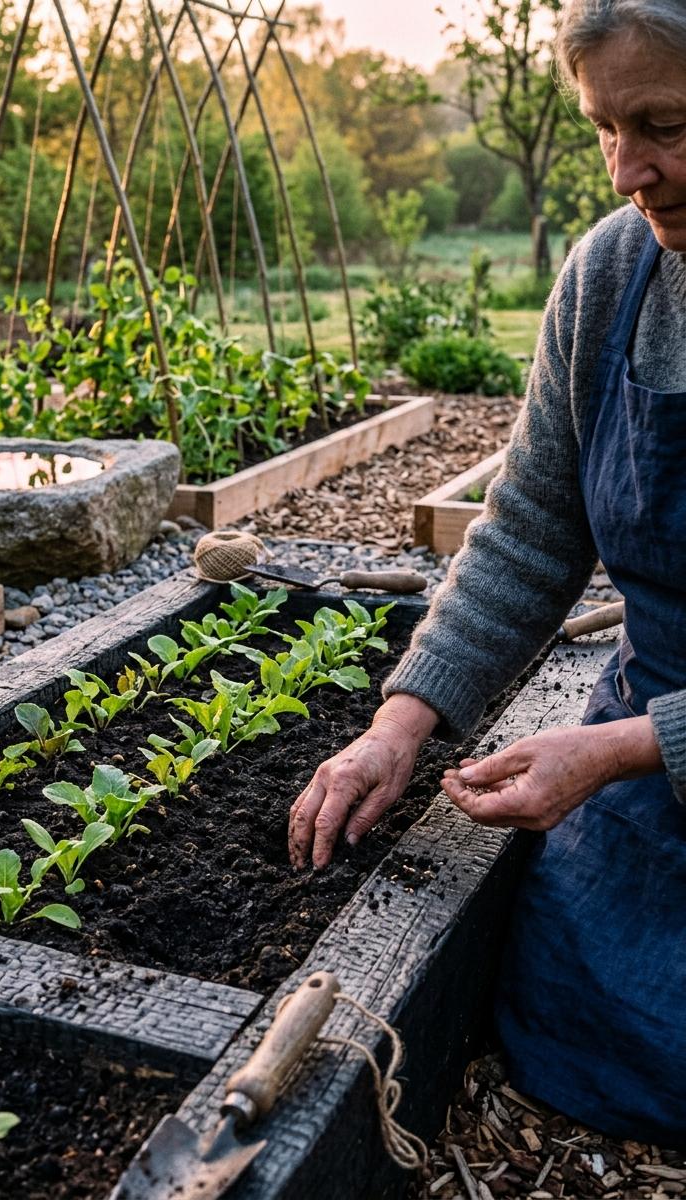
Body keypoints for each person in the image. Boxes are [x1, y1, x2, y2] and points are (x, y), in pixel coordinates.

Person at [289, 0, 686, 1145]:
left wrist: (616, 749)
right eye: (602, 129)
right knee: (574, 1024)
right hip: (643, 770)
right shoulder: (612, 276)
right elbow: (526, 530)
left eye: (660, 122)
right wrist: (401, 725)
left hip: (636, 752)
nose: (630, 171)